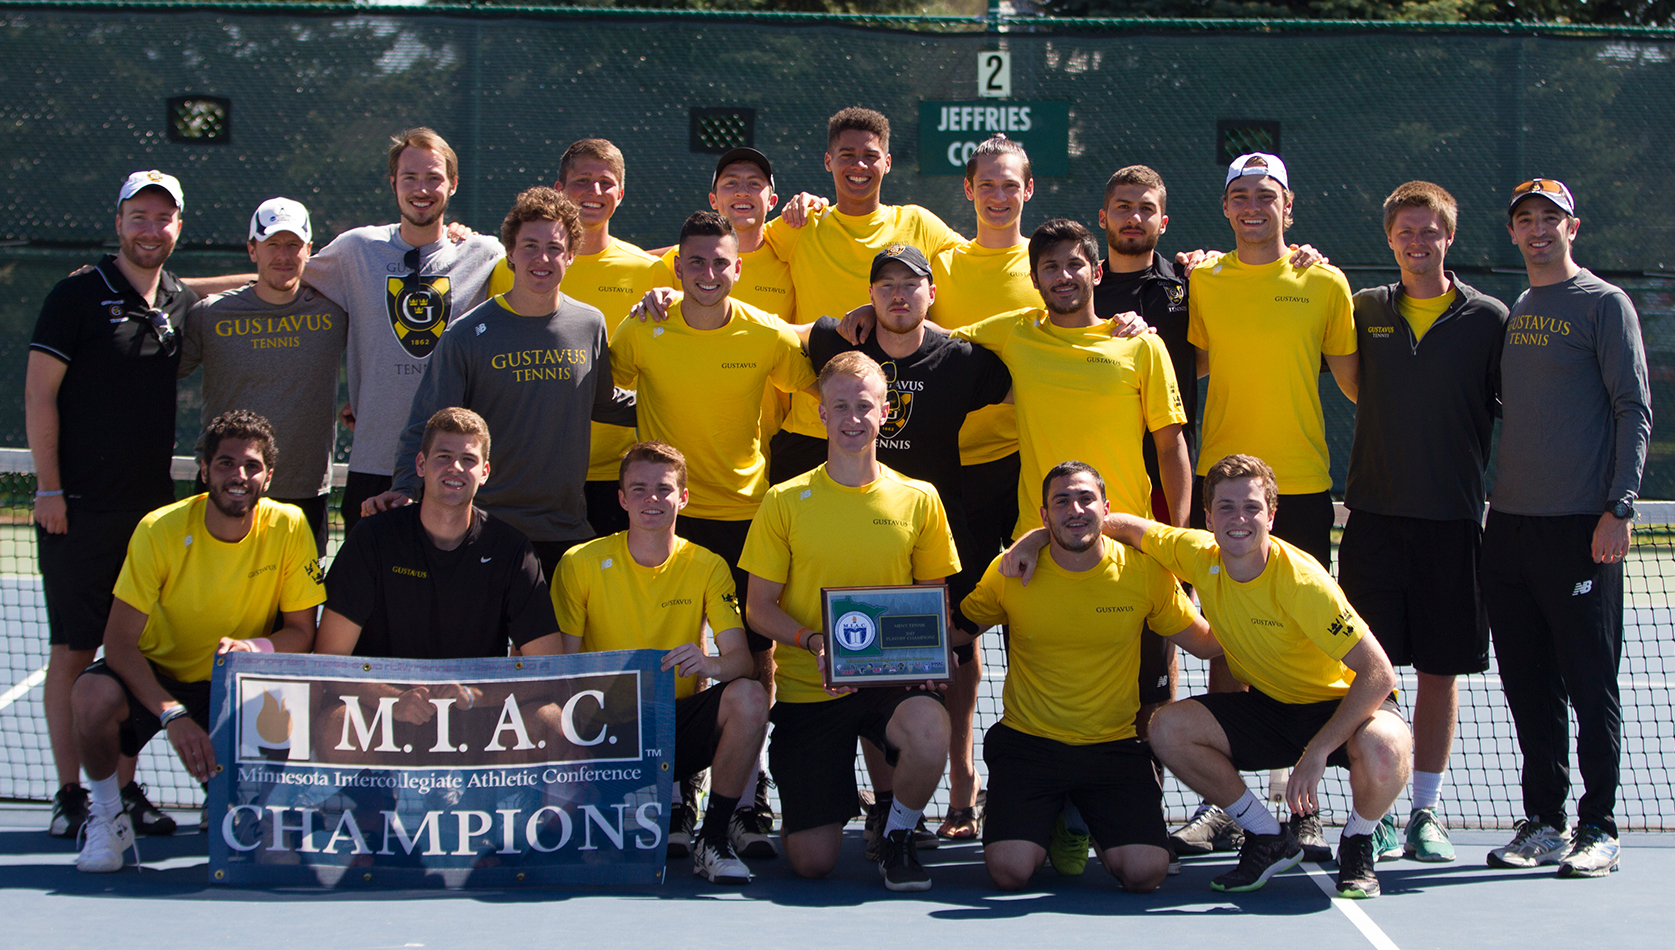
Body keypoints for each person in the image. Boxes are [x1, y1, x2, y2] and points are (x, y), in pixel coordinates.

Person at [1006, 454, 1412, 899]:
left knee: (1385, 747)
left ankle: (1357, 842)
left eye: (1252, 507)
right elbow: (1110, 521)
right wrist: (1033, 539)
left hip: (1340, 708)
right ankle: (1266, 835)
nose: (1239, 519)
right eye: (1226, 507)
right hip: (1271, 708)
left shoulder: (1303, 583)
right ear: (1209, 517)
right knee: (1167, 727)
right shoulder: (1196, 553)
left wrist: (1318, 750)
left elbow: (1378, 672)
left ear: (1271, 516)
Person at [801, 244, 1011, 849]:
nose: (898, 295)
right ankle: (887, 797)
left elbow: (1036, 384)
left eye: (911, 284)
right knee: (868, 654)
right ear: (869, 294)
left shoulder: (964, 358)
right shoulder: (839, 345)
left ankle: (964, 782)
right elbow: (781, 332)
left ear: (930, 293)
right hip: (860, 530)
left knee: (957, 656)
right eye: (885, 284)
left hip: (940, 531)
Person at [739, 351, 962, 891]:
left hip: (887, 686)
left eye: (864, 405)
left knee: (932, 728)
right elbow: (759, 608)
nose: (852, 418)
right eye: (840, 406)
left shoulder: (920, 498)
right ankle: (839, 808)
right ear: (820, 414)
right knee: (812, 861)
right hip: (809, 693)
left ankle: (898, 836)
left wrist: (933, 656)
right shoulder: (784, 501)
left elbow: (934, 603)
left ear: (885, 412)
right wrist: (812, 640)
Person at [1481, 178, 1651, 877]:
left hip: (1581, 527)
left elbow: (1631, 407)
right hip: (1509, 529)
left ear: (1571, 227)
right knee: (1527, 685)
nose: (1537, 230)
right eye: (1525, 220)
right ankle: (1543, 822)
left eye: (1549, 218)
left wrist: (1619, 506)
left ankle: (1598, 825)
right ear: (1514, 233)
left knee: (1589, 684)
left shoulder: (1604, 304)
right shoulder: (1517, 308)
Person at [69, 410, 325, 872]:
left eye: (251, 466)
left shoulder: (289, 525)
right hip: (158, 677)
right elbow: (120, 642)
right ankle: (108, 818)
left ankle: (241, 806)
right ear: (204, 470)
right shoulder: (158, 529)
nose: (239, 475)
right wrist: (172, 714)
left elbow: (302, 633)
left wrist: (254, 649)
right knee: (90, 696)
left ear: (268, 476)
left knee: (298, 703)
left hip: (235, 681)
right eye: (226, 463)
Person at [26, 169, 201, 840]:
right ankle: (73, 794)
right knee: (74, 649)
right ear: (119, 221)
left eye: (163, 218)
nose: (150, 228)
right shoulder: (75, 294)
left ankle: (123, 791)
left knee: (133, 646)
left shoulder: (178, 298)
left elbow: (206, 291)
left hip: (149, 515)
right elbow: (39, 395)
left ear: (177, 228)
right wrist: (47, 488)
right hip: (76, 508)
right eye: (139, 216)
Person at [1339, 181, 1508, 863]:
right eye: (1405, 232)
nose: (1416, 242)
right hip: (1373, 518)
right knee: (1371, 674)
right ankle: (1374, 811)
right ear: (1389, 239)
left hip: (1453, 521)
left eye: (1428, 230)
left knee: (1440, 673)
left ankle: (1423, 813)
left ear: (1448, 236)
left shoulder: (1489, 318)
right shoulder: (1363, 308)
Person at [963, 461, 1216, 892]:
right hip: (1029, 745)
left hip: (1112, 749)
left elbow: (1209, 644)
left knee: (1145, 873)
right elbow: (956, 630)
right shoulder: (1011, 571)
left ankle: (1076, 815)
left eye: (1085, 499)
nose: (1074, 509)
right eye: (1061, 501)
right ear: (1044, 517)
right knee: (1010, 871)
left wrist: (1271, 623)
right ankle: (1058, 813)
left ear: (1107, 509)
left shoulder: (1144, 573)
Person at [365, 187, 636, 579]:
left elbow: (603, 401)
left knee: (558, 643)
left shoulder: (589, 324)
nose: (542, 259)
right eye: (529, 246)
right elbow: (428, 423)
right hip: (484, 527)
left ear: (571, 255)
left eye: (554, 248)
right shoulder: (466, 334)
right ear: (509, 253)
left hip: (564, 527)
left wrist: (680, 402)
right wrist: (407, 487)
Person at [554, 441, 770, 886]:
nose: (652, 499)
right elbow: (561, 668)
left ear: (683, 497)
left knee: (749, 697)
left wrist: (709, 664)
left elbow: (741, 662)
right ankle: (590, 806)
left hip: (674, 729)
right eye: (639, 489)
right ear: (621, 498)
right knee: (577, 856)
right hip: (601, 732)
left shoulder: (708, 565)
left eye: (664, 489)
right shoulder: (579, 563)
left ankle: (713, 839)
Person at [301, 127, 508, 535]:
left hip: (457, 465)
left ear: (452, 185)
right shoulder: (354, 249)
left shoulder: (486, 255)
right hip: (375, 460)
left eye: (433, 177)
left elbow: (562, 269)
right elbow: (279, 280)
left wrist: (665, 274)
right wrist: (182, 291)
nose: (421, 188)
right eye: (410, 177)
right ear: (393, 182)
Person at [760, 107, 964, 482]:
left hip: (891, 430)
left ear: (887, 162)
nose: (859, 165)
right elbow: (723, 251)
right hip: (810, 427)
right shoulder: (801, 224)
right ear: (827, 161)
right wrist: (651, 266)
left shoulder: (918, 222)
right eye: (847, 156)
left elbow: (990, 260)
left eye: (871, 156)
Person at [1187, 153, 1358, 569]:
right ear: (1225, 207)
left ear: (1288, 206)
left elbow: (1357, 387)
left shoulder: (1325, 281)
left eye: (1266, 196)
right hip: (1220, 482)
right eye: (1240, 196)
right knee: (1223, 625)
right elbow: (1196, 364)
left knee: (1301, 628)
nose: (1252, 207)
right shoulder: (1203, 280)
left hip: (1300, 483)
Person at [316, 407, 562, 660]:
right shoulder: (373, 537)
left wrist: (469, 695)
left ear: (484, 472)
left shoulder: (512, 550)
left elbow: (546, 665)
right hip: (380, 699)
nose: (455, 467)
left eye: (468, 459)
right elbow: (330, 658)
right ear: (421, 464)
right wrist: (393, 696)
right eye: (444, 456)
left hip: (475, 699)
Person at [180, 197, 347, 555]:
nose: (283, 255)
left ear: (309, 251)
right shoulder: (209, 315)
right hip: (225, 490)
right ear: (252, 250)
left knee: (298, 613)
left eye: (293, 245)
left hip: (303, 494)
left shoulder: (335, 311)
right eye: (271, 244)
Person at [554, 138, 674, 538]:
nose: (594, 193)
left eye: (606, 183)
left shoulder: (650, 272)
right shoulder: (516, 266)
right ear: (559, 189)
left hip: (622, 472)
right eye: (581, 181)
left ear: (620, 194)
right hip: (539, 468)